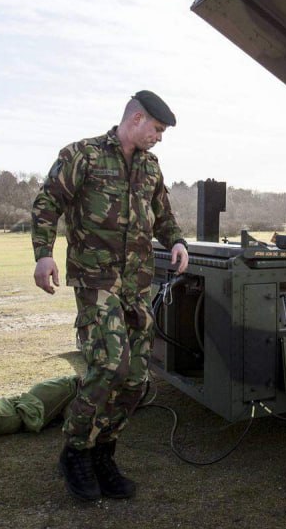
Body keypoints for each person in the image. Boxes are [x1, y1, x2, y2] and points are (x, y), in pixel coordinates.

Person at [32, 90, 189, 502]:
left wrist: (176, 241)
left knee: (137, 379)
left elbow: (164, 216)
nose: (159, 138)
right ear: (136, 119)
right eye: (156, 129)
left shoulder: (151, 168)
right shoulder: (82, 155)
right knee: (108, 366)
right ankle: (76, 451)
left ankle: (104, 451)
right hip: (96, 282)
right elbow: (48, 203)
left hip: (136, 286)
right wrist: (44, 255)